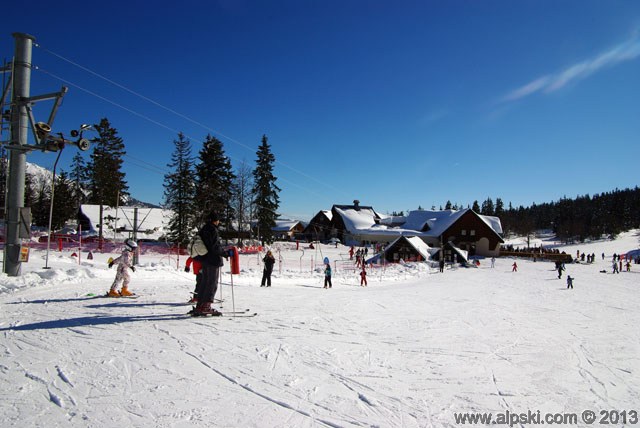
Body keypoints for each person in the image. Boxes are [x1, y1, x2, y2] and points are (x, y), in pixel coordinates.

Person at [192, 212, 228, 316]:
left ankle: (200, 305)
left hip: (205, 259)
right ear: (215, 220)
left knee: (205, 282)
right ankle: (206, 306)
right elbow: (214, 247)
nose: (218, 222)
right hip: (213, 260)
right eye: (218, 220)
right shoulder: (213, 230)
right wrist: (225, 253)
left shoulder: (204, 229)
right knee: (212, 283)